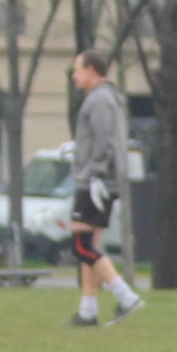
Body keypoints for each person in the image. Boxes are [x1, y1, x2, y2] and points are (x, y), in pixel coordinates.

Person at [67, 50, 144, 328]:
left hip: (95, 181)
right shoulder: (106, 98)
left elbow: (104, 142)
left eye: (77, 69)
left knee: (80, 245)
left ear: (91, 71)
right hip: (98, 179)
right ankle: (88, 311)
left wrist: (94, 172)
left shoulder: (99, 99)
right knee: (92, 244)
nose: (74, 76)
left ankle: (126, 296)